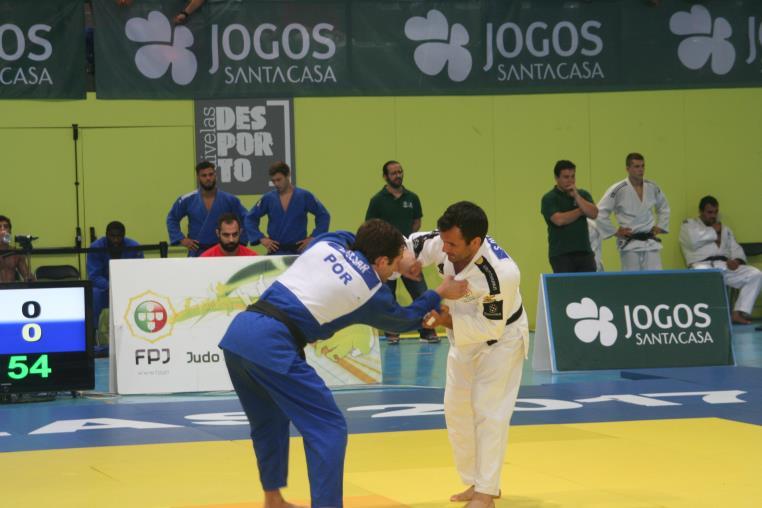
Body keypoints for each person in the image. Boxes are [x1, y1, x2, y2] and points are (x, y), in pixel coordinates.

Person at [219, 219, 467, 508]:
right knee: (328, 428)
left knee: (268, 422)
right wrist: (437, 293)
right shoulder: (371, 293)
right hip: (272, 344)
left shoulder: (330, 242)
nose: (396, 270)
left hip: (239, 335)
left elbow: (358, 236)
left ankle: (273, 499)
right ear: (382, 260)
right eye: (395, 263)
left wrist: (400, 258)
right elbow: (403, 320)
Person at [409, 202, 529, 508]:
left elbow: (489, 326)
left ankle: (486, 493)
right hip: (463, 337)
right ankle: (475, 482)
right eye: (444, 240)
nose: (445, 248)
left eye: (453, 244)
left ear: (475, 243)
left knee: (488, 411)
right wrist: (400, 263)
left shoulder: (500, 273)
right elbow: (408, 246)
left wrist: (444, 317)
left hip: (501, 339)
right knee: (457, 410)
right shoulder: (444, 241)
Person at [365, 160, 439, 343]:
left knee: (422, 294)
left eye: (400, 172)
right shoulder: (377, 200)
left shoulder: (412, 198)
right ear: (385, 176)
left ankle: (428, 330)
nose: (397, 175)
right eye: (393, 173)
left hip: (408, 254)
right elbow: (371, 226)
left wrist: (406, 246)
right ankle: (392, 332)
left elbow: (417, 221)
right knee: (387, 298)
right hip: (387, 258)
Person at [679, 196, 761, 325]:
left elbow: (736, 249)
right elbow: (692, 242)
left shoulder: (725, 230)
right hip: (701, 265)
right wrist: (714, 231)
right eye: (709, 212)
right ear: (701, 212)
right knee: (707, 276)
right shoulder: (689, 225)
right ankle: (708, 317)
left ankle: (737, 313)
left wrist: (736, 261)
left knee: (755, 274)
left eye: (716, 212)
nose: (713, 215)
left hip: (723, 266)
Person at [596, 152, 670, 271]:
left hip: (650, 242)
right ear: (628, 169)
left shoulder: (652, 187)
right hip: (629, 243)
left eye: (642, 166)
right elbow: (600, 212)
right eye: (636, 166)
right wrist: (615, 231)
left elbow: (664, 207)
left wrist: (660, 226)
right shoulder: (619, 188)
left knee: (655, 280)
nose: (641, 170)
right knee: (632, 282)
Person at [245, 161, 330, 255]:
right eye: (273, 181)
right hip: (276, 251)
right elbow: (250, 218)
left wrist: (314, 237)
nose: (276, 184)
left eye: (279, 180)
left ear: (288, 175)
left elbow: (323, 215)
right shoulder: (268, 198)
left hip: (298, 251)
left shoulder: (304, 196)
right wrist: (261, 238)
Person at [167, 160, 249, 257]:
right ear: (198, 177)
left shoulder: (229, 199)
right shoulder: (188, 199)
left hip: (223, 251)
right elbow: (172, 218)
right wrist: (181, 239)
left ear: (215, 175)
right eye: (204, 175)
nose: (208, 178)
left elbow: (246, 219)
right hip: (197, 251)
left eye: (211, 174)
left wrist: (240, 242)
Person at [540, 160, 598, 273]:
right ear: (556, 178)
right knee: (566, 289)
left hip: (585, 252)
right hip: (561, 255)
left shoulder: (582, 194)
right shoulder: (549, 198)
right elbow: (559, 220)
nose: (570, 180)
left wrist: (576, 196)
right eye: (566, 177)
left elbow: (594, 213)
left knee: (588, 288)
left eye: (573, 176)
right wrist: (581, 210)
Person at [87, 221, 144, 324]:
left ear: (124, 235)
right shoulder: (96, 247)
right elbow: (94, 276)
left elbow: (140, 273)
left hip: (128, 287)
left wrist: (126, 286)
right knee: (94, 293)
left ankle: (137, 327)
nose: (116, 240)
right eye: (112, 236)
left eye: (119, 236)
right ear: (106, 235)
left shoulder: (134, 247)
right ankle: (95, 330)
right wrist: (111, 286)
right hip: (105, 289)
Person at [0, 215, 34, 283]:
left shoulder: (15, 253)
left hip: (11, 291)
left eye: (6, 227)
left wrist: (30, 278)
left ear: (10, 231)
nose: (3, 229)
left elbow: (27, 276)